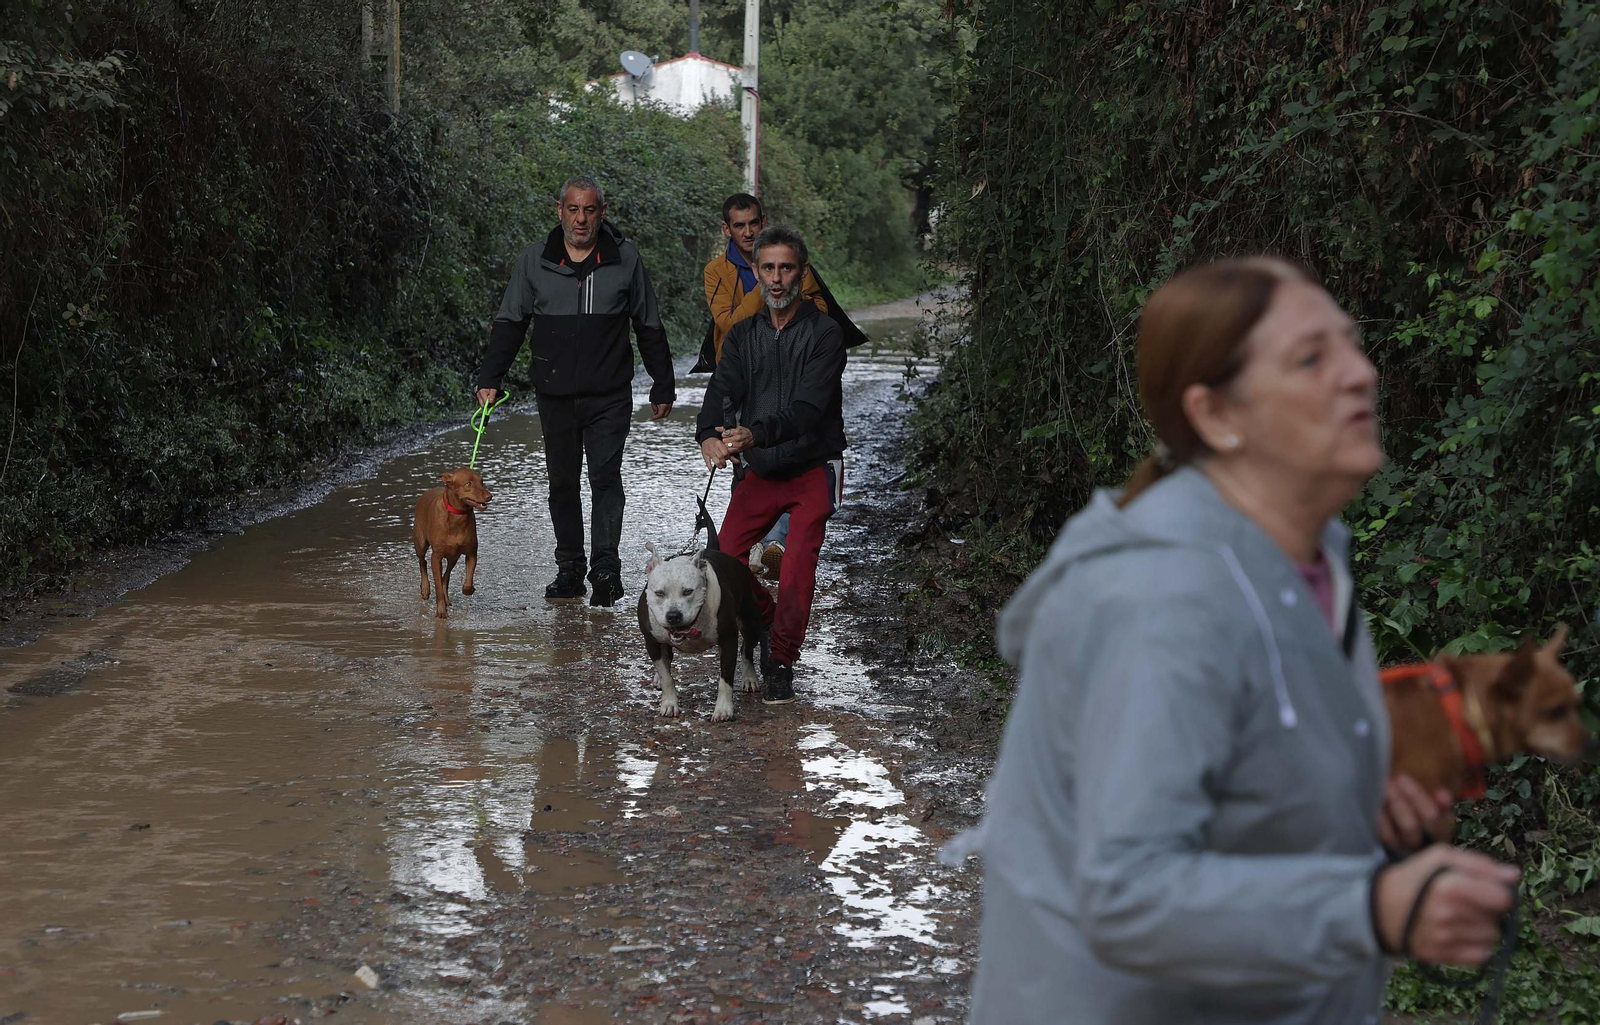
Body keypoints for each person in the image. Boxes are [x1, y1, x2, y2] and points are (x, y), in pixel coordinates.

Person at [960, 258, 1520, 1023]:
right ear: (1217, 415)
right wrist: (1369, 906)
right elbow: (1128, 892)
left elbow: (1232, 765)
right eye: (1311, 359)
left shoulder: (1310, 557)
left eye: (1351, 344)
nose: (1360, 373)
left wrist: (1347, 793)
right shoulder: (1165, 598)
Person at [475, 175, 675, 608]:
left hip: (610, 393)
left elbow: (648, 323)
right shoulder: (535, 261)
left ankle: (606, 568)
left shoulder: (624, 258)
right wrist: (491, 377)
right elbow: (511, 322)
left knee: (605, 477)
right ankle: (569, 570)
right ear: (559, 211)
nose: (581, 219)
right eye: (573, 209)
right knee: (562, 483)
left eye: (589, 210)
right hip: (554, 393)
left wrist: (663, 383)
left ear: (603, 212)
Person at [697, 225, 846, 705]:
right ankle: (764, 619)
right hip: (760, 470)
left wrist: (754, 432)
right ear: (756, 272)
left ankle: (781, 659)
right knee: (723, 558)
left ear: (802, 273)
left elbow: (809, 408)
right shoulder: (742, 334)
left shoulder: (826, 334)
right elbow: (722, 392)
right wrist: (708, 436)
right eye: (768, 268)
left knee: (798, 561)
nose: (777, 279)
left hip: (813, 468)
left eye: (787, 268)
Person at [702, 193, 828, 583]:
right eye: (739, 226)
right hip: (740, 371)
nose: (748, 231)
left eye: (753, 223)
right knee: (741, 460)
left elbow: (819, 310)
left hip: (790, 369)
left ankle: (774, 543)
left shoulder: (788, 267)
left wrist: (775, 288)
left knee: (787, 448)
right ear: (727, 230)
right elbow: (727, 323)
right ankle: (754, 543)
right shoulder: (717, 272)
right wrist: (768, 289)